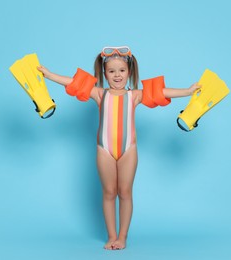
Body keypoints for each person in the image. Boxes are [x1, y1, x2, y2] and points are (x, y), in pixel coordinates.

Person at [37, 46, 200, 250]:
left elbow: (161, 92)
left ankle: (122, 237)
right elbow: (72, 82)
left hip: (128, 150)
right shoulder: (99, 94)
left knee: (125, 192)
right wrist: (49, 74)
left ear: (129, 72)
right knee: (108, 192)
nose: (117, 75)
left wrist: (187, 91)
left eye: (121, 71)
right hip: (104, 149)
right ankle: (111, 236)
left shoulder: (134, 96)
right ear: (104, 73)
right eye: (112, 71)